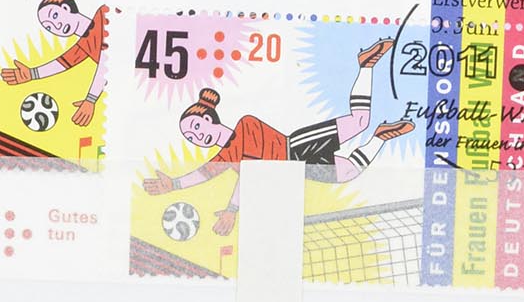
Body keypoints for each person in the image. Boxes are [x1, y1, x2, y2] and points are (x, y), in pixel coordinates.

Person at [141, 38, 410, 237]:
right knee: (350, 171)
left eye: (196, 126)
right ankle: (380, 137)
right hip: (296, 170)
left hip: (298, 148)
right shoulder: (230, 157)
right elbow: (235, 177)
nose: (197, 136)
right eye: (191, 136)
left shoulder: (244, 127)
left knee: (359, 121)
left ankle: (365, 65)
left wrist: (176, 185)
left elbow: (209, 173)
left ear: (210, 119)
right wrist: (229, 209)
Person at [0, 0, 107, 128]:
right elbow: (63, 62)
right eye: (49, 26)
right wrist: (32, 74)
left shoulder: (104, 15)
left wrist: (90, 99)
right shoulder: (85, 44)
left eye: (54, 16)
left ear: (66, 8)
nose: (56, 26)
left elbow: (106, 64)